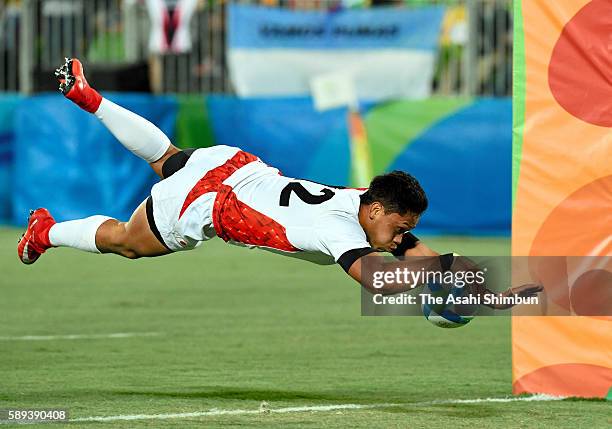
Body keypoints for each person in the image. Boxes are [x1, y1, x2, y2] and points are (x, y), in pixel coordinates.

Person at [18, 58, 541, 307]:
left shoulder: (368, 204)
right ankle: (43, 231)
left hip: (237, 165)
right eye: (399, 227)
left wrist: (487, 291)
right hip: (209, 204)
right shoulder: (341, 229)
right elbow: (378, 283)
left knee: (170, 156)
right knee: (127, 244)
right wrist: (441, 290)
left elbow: (422, 256)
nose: (400, 237)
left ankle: (92, 100)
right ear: (379, 211)